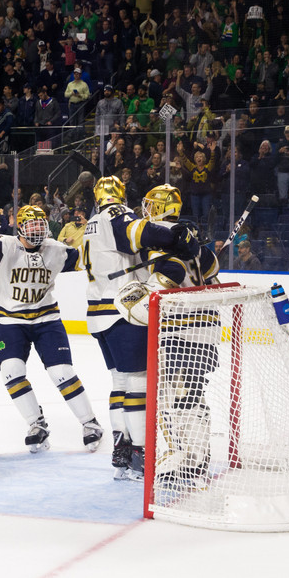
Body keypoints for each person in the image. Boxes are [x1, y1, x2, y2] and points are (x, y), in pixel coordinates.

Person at [81, 177, 197, 480]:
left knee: (119, 383)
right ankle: (140, 454)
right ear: (119, 196)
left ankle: (121, 451)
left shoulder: (92, 221)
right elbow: (141, 231)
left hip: (97, 313)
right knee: (138, 384)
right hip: (124, 311)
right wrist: (175, 238)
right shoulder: (115, 215)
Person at [113, 184, 222, 488]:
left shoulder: (160, 235)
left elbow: (168, 277)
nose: (145, 211)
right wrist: (199, 250)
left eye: (150, 206)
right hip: (205, 327)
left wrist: (145, 294)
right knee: (184, 396)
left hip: (184, 328)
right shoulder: (187, 237)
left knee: (184, 397)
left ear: (158, 209)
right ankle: (189, 460)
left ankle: (195, 464)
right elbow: (213, 266)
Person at [0, 205, 103, 453]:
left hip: (46, 319)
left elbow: (90, 260)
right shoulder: (3, 245)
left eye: (41, 224)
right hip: (10, 321)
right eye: (32, 224)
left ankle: (90, 423)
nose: (37, 229)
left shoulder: (57, 250)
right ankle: (36, 424)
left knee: (62, 371)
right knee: (11, 370)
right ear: (21, 228)